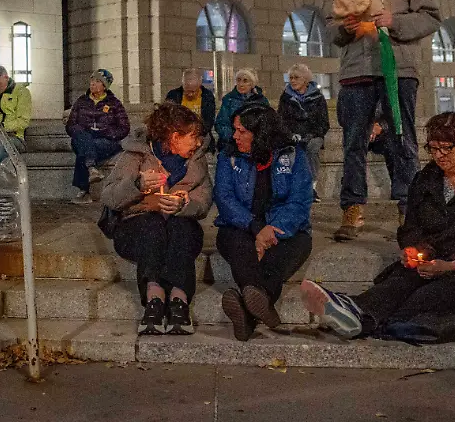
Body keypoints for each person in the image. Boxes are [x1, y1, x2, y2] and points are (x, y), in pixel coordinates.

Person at [301, 113, 455, 341]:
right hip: (435, 257)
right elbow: (411, 227)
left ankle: (369, 320)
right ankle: (355, 310)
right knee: (402, 279)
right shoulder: (425, 179)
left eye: (447, 147)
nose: (440, 156)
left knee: (438, 290)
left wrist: (454, 263)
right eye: (433, 149)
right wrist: (414, 250)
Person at [329, 0, 441, 241]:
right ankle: (352, 208)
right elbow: (330, 29)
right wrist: (346, 29)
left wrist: (394, 21)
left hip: (399, 71)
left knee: (402, 138)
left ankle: (409, 208)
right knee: (354, 142)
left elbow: (431, 17)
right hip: (356, 71)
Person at [100, 102, 212, 335]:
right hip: (137, 226)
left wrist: (183, 204)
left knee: (181, 227)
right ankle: (154, 300)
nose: (199, 142)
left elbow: (203, 202)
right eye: (193, 136)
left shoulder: (196, 160)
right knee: (152, 226)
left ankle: (179, 301)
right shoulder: (136, 155)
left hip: (178, 226)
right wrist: (138, 186)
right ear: (174, 136)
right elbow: (109, 196)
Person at [215, 104, 313, 341]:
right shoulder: (228, 156)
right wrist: (256, 228)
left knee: (297, 244)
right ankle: (263, 305)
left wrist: (271, 230)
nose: (234, 136)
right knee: (238, 245)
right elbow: (224, 198)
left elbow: (300, 200)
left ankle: (248, 316)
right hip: (240, 225)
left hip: (282, 227)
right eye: (234, 130)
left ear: (261, 133)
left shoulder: (293, 155)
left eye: (242, 131)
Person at [66, 69, 130, 204]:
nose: (92, 84)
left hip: (106, 140)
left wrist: (107, 132)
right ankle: (91, 168)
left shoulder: (114, 103)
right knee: (83, 139)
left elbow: (124, 128)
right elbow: (71, 125)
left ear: (104, 86)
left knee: (84, 149)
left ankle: (84, 191)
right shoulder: (81, 101)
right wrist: (82, 130)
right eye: (91, 81)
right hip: (83, 137)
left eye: (97, 81)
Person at [277, 64, 329, 203]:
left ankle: (311, 188)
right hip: (292, 134)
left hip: (313, 134)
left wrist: (312, 135)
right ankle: (295, 189)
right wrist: (290, 135)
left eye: (296, 78)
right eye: (291, 78)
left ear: (305, 80)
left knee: (312, 148)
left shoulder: (317, 97)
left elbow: (324, 123)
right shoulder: (286, 97)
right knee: (291, 151)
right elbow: (281, 121)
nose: (292, 81)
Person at [0, 66, 32, 165]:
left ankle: (9, 176)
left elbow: (24, 121)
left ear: (6, 77)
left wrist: (2, 127)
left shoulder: (21, 92)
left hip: (15, 137)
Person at [213, 68, 269, 151]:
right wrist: (235, 137)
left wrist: (253, 139)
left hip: (255, 146)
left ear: (252, 84)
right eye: (238, 80)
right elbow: (221, 123)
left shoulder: (261, 101)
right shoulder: (229, 99)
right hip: (230, 145)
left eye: (245, 81)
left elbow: (266, 123)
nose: (241, 84)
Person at [165, 68, 217, 140]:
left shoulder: (207, 96)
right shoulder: (173, 95)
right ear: (183, 85)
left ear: (199, 86)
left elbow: (209, 121)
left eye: (193, 91)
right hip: (178, 134)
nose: (190, 94)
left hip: (200, 134)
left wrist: (196, 133)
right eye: (187, 91)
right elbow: (168, 118)